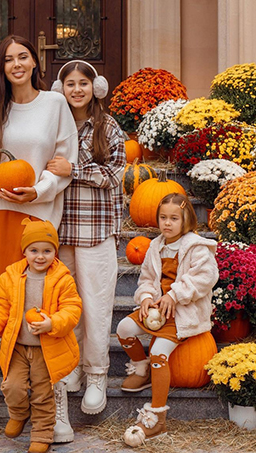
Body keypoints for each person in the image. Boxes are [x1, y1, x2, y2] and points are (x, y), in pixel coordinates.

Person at [0, 34, 78, 440]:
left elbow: (65, 162)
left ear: (34, 63)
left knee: (39, 310)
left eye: (22, 57)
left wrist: (38, 190)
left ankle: (54, 404)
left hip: (34, 224)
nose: (17, 64)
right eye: (9, 59)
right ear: (2, 68)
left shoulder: (55, 104)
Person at [47, 59, 126, 432]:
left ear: (95, 88)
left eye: (83, 83)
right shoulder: (56, 126)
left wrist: (74, 171)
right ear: (59, 89)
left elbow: (115, 173)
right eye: (69, 84)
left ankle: (97, 374)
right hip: (60, 231)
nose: (76, 89)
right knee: (67, 303)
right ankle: (72, 367)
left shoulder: (108, 126)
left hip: (96, 230)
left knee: (95, 303)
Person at [116, 193, 218, 446]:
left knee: (159, 351)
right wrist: (148, 297)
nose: (167, 223)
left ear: (187, 220)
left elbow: (205, 278)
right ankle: (142, 367)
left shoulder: (197, 247)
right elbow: (147, 279)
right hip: (157, 311)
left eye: (174, 218)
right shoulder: (155, 246)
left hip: (182, 312)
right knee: (124, 328)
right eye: (163, 218)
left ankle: (157, 415)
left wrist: (175, 294)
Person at [0, 218, 82, 453]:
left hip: (46, 348)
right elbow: (0, 310)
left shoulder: (62, 279)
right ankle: (19, 413)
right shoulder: (10, 277)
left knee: (43, 394)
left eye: (47, 250)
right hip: (18, 347)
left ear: (55, 251)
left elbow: (72, 309)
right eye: (34, 250)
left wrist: (52, 322)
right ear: (24, 251)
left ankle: (42, 434)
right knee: (12, 386)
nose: (40, 256)